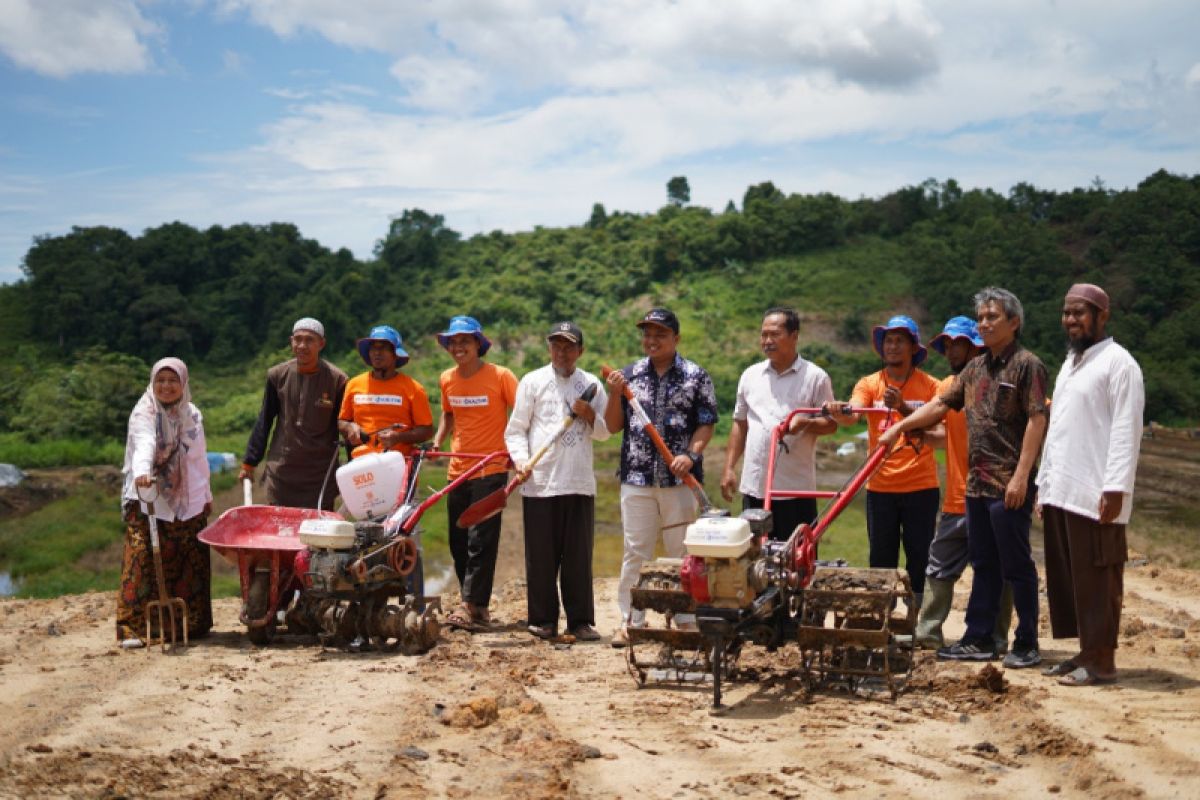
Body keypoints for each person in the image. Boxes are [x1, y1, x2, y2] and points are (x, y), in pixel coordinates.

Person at [880, 288, 1048, 668]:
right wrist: (899, 428)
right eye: (982, 318)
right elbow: (940, 405)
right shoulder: (974, 369)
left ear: (1014, 322)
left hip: (1008, 485)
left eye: (993, 317)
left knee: (1016, 565)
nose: (984, 324)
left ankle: (1026, 642)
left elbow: (1038, 418)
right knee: (985, 564)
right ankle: (978, 638)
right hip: (975, 485)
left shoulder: (1027, 365)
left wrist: (1022, 477)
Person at [1037, 283, 1144, 686]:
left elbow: (1125, 431)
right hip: (1063, 491)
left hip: (1097, 494)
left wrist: (1116, 487)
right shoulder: (1071, 363)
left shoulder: (1120, 364)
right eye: (1067, 313)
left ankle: (1102, 661)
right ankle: (1084, 651)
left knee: (1100, 577)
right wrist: (1043, 484)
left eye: (1080, 312)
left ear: (1103, 316)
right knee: (1072, 579)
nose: (1071, 320)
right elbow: (1059, 429)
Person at [605, 308, 718, 646]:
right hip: (636, 480)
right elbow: (612, 426)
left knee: (681, 551)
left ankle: (685, 618)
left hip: (679, 482)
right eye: (647, 334)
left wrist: (691, 455)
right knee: (635, 551)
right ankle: (630, 620)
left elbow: (707, 422)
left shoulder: (696, 376)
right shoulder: (629, 376)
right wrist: (613, 393)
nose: (652, 340)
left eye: (660, 334)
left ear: (676, 338)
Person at [906, 316, 1012, 651]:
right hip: (957, 496)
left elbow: (1041, 414)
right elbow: (945, 435)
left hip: (993, 495)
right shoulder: (947, 388)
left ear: (975, 346)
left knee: (996, 567)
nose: (951, 350)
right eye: (947, 344)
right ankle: (927, 635)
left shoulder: (997, 383)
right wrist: (921, 433)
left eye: (958, 344)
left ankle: (995, 637)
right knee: (938, 565)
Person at [826, 314, 941, 607]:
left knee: (919, 556)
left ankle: (916, 618)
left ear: (913, 348)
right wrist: (841, 411)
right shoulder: (869, 383)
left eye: (899, 341)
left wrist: (902, 407)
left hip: (920, 485)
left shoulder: (931, 387)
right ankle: (882, 615)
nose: (892, 346)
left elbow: (939, 431)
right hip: (880, 486)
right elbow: (854, 412)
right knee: (881, 557)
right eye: (888, 341)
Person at [504, 322, 609, 641]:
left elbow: (605, 433)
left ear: (580, 351)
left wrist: (589, 414)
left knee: (578, 557)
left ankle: (580, 622)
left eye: (569, 346)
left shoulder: (592, 384)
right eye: (557, 346)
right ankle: (542, 620)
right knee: (541, 557)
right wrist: (521, 462)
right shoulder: (532, 381)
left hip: (579, 483)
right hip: (539, 482)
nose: (562, 352)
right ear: (549, 349)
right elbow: (515, 430)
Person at [117, 358, 213, 644]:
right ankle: (132, 628)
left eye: (173, 381)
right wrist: (144, 472)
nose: (167, 386)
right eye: (161, 380)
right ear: (152, 383)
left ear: (183, 383)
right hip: (149, 495)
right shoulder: (143, 412)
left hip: (188, 497)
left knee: (191, 558)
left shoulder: (192, 415)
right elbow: (145, 442)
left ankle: (190, 624)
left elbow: (198, 457)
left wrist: (206, 494)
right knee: (142, 558)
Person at [721, 307, 837, 541]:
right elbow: (740, 424)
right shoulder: (750, 375)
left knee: (797, 561)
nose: (767, 341)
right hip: (755, 485)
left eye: (774, 334)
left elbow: (830, 423)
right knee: (754, 558)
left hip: (796, 490)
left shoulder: (815, 377)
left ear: (794, 336)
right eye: (763, 335)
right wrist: (729, 468)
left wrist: (805, 423)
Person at [434, 315, 518, 631]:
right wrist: (437, 440)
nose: (458, 347)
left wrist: (516, 451)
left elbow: (522, 413)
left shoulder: (500, 376)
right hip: (457, 469)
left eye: (465, 341)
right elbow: (448, 413)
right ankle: (478, 606)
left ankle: (469, 604)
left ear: (477, 345)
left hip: (492, 467)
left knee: (480, 539)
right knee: (458, 540)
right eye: (453, 342)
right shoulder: (447, 379)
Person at [239, 318, 347, 509]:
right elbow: (264, 420)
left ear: (321, 343)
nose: (302, 345)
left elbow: (346, 427)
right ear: (291, 341)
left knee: (317, 534)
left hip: (319, 475)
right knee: (280, 531)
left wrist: (355, 469)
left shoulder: (337, 380)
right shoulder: (277, 375)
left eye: (309, 340)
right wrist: (249, 462)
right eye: (298, 339)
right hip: (282, 472)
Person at [338, 325, 434, 458]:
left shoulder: (414, 388)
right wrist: (350, 428)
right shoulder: (354, 384)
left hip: (399, 464)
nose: (377, 353)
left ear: (396, 354)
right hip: (360, 464)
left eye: (383, 348)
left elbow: (427, 431)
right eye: (374, 348)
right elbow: (342, 421)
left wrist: (398, 437)